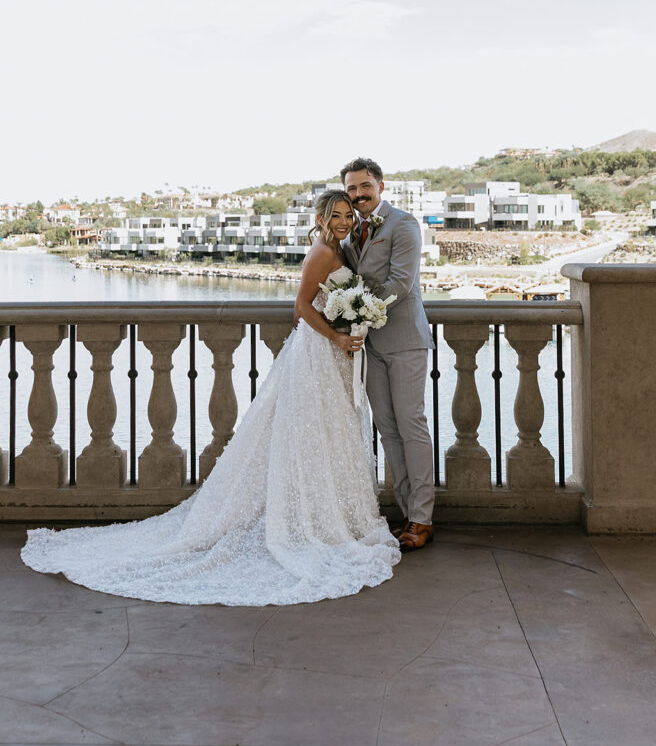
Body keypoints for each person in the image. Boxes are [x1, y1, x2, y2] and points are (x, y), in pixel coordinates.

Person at [21, 191, 400, 606]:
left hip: (331, 357)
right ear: (321, 217)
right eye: (337, 215)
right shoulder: (321, 253)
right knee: (310, 432)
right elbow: (301, 308)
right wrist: (338, 334)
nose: (344, 221)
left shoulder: (337, 248)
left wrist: (350, 323)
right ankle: (310, 522)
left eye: (348, 214)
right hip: (318, 354)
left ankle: (333, 517)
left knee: (325, 434)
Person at [341, 158, 435, 552]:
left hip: (405, 339)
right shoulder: (348, 235)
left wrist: (359, 311)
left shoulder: (404, 224)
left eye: (365, 187)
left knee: (412, 424)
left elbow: (402, 281)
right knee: (388, 428)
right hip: (370, 347)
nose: (359, 195)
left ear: (381, 186)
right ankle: (405, 511)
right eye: (352, 190)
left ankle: (422, 517)